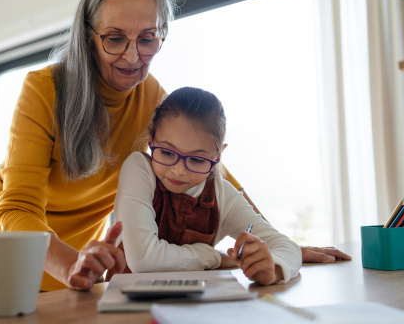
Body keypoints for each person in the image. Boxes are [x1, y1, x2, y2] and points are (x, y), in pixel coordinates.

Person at [0, 0, 349, 308]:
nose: (134, 56)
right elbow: (16, 208)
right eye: (115, 38)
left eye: (148, 38)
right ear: (88, 37)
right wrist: (69, 264)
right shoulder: (44, 89)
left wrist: (276, 246)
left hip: (78, 267)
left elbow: (214, 176)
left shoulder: (151, 96)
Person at [111, 87, 301, 284]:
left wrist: (272, 269)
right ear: (151, 138)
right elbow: (143, 260)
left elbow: (286, 246)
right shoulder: (139, 169)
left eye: (196, 159)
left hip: (195, 307)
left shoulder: (222, 194)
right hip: (125, 307)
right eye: (167, 153)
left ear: (218, 156)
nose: (178, 170)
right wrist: (215, 257)